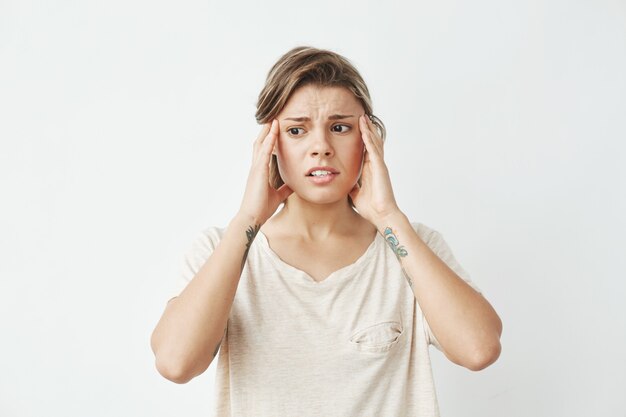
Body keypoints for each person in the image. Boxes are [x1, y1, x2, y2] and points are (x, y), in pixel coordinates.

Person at [150, 46, 502, 416]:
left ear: (368, 139)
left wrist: (388, 217)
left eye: (339, 127)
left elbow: (478, 349)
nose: (321, 147)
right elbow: (176, 363)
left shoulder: (413, 247)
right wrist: (247, 220)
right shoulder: (219, 250)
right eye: (297, 130)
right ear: (270, 143)